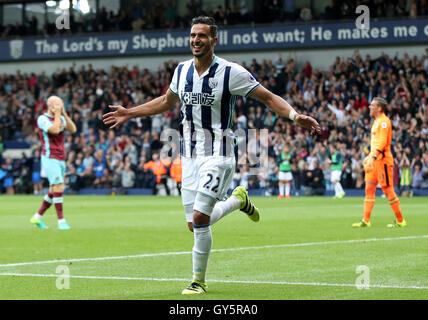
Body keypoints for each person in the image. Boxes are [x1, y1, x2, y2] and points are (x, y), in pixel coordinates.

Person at [103, 16, 320, 295]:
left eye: (202, 36)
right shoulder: (181, 71)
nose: (196, 40)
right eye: (193, 35)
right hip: (189, 154)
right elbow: (166, 101)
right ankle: (238, 201)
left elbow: (267, 97)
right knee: (194, 224)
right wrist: (129, 112)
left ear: (214, 40)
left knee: (200, 217)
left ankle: (198, 281)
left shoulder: (231, 73)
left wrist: (294, 115)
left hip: (219, 151)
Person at [352, 97, 406, 228]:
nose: (369, 107)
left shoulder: (384, 122)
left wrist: (374, 156)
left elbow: (382, 142)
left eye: (372, 105)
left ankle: (400, 221)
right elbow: (375, 143)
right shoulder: (376, 121)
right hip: (374, 160)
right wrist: (369, 156)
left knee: (388, 190)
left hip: (382, 161)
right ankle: (366, 220)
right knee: (369, 188)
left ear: (379, 108)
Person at [30, 96, 77, 230]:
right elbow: (54, 130)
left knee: (54, 189)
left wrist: (64, 115)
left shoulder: (61, 117)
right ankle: (61, 221)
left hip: (61, 157)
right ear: (50, 105)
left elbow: (73, 129)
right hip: (50, 157)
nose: (60, 106)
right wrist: (58, 114)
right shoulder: (42, 119)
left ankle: (37, 217)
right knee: (58, 186)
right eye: (58, 104)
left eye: (61, 104)